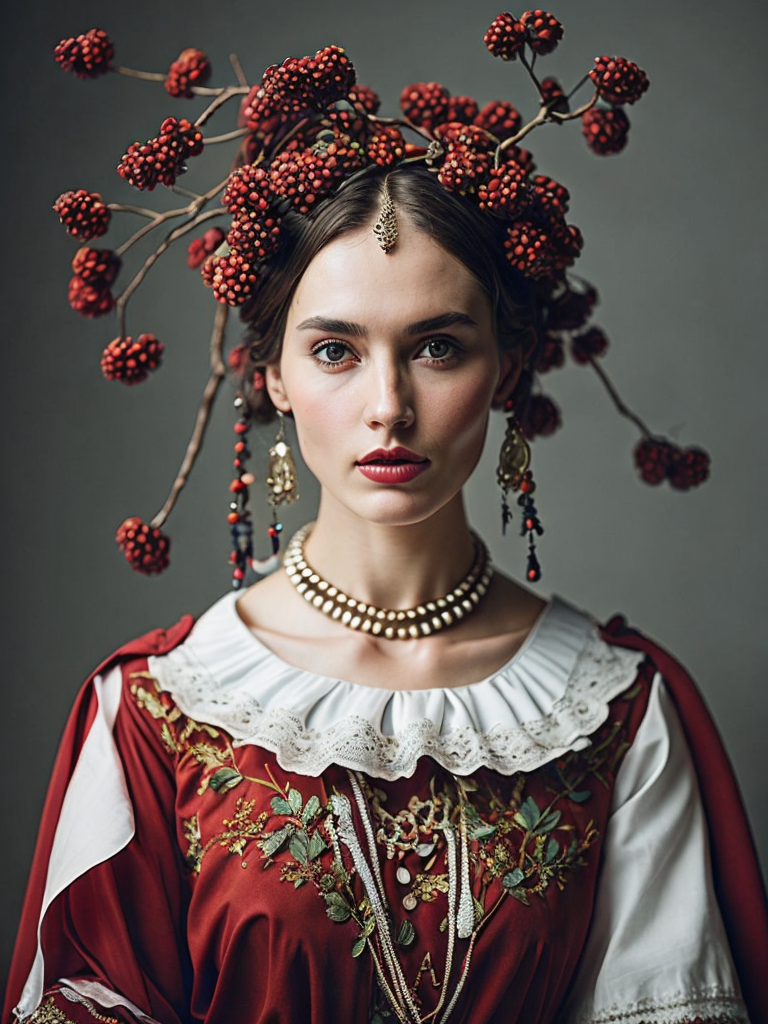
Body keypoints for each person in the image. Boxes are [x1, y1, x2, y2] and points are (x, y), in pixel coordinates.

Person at [5, 20, 768, 1024]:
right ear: (268, 370)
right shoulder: (155, 715)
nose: (388, 406)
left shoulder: (618, 711)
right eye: (335, 350)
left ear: (509, 366)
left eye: (438, 347)